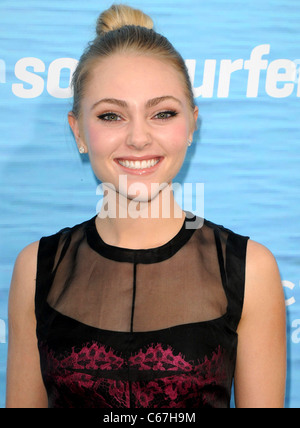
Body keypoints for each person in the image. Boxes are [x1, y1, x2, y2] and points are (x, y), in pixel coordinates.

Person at [6, 4, 286, 408]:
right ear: (78, 132)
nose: (138, 138)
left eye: (162, 113)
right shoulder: (37, 267)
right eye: (111, 115)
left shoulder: (248, 269)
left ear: (191, 124)